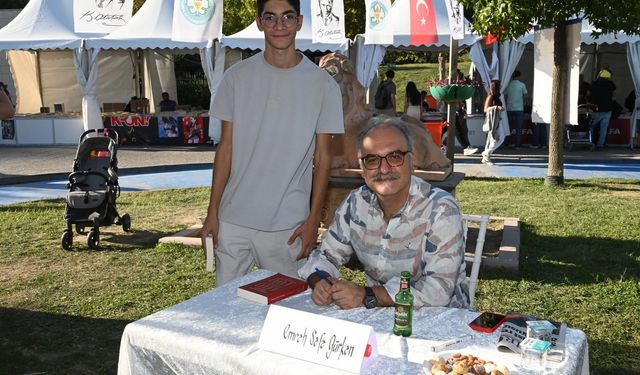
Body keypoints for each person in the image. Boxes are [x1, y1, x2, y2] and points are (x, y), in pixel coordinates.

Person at [200, 0, 344, 286]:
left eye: (287, 17)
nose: (280, 25)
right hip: (233, 221)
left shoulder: (323, 85)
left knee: (288, 315)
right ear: (259, 22)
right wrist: (212, 213)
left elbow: (324, 158)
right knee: (227, 313)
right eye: (271, 17)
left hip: (287, 226)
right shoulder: (235, 78)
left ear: (299, 22)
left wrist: (314, 218)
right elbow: (225, 149)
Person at [299, 117, 469, 310]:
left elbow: (438, 291)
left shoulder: (441, 209)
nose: (384, 168)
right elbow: (326, 256)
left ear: (411, 161)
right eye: (372, 160)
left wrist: (368, 295)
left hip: (441, 322)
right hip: (383, 316)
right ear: (361, 169)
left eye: (395, 156)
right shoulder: (356, 203)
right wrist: (319, 280)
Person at [590, 68, 616, 150]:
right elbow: (613, 90)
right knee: (604, 129)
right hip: (607, 109)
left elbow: (591, 95)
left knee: (591, 128)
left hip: (596, 109)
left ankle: (590, 143)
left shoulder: (595, 84)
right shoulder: (610, 84)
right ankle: (600, 145)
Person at [481, 80, 506, 165]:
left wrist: (499, 108)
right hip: (493, 120)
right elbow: (485, 109)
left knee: (497, 138)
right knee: (496, 138)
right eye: (500, 85)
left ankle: (486, 155)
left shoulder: (497, 96)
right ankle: (486, 154)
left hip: (498, 119)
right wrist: (496, 107)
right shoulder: (490, 96)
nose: (501, 86)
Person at [504, 70, 528, 148]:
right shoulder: (522, 85)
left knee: (508, 128)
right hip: (519, 109)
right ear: (519, 76)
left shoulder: (508, 85)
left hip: (509, 108)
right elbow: (526, 96)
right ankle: (517, 144)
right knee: (518, 128)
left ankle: (507, 143)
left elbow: (505, 96)